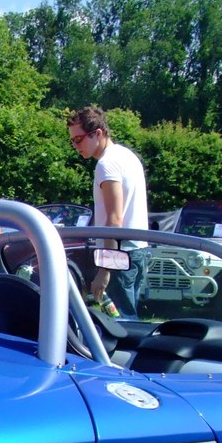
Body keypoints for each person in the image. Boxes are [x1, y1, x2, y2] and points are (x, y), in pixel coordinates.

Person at [67, 106, 148, 317]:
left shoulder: (107, 164)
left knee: (121, 326)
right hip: (138, 250)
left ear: (98, 134)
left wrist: (105, 270)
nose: (75, 146)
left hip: (122, 254)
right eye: (72, 141)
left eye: (79, 139)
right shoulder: (127, 156)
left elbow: (114, 219)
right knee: (131, 320)